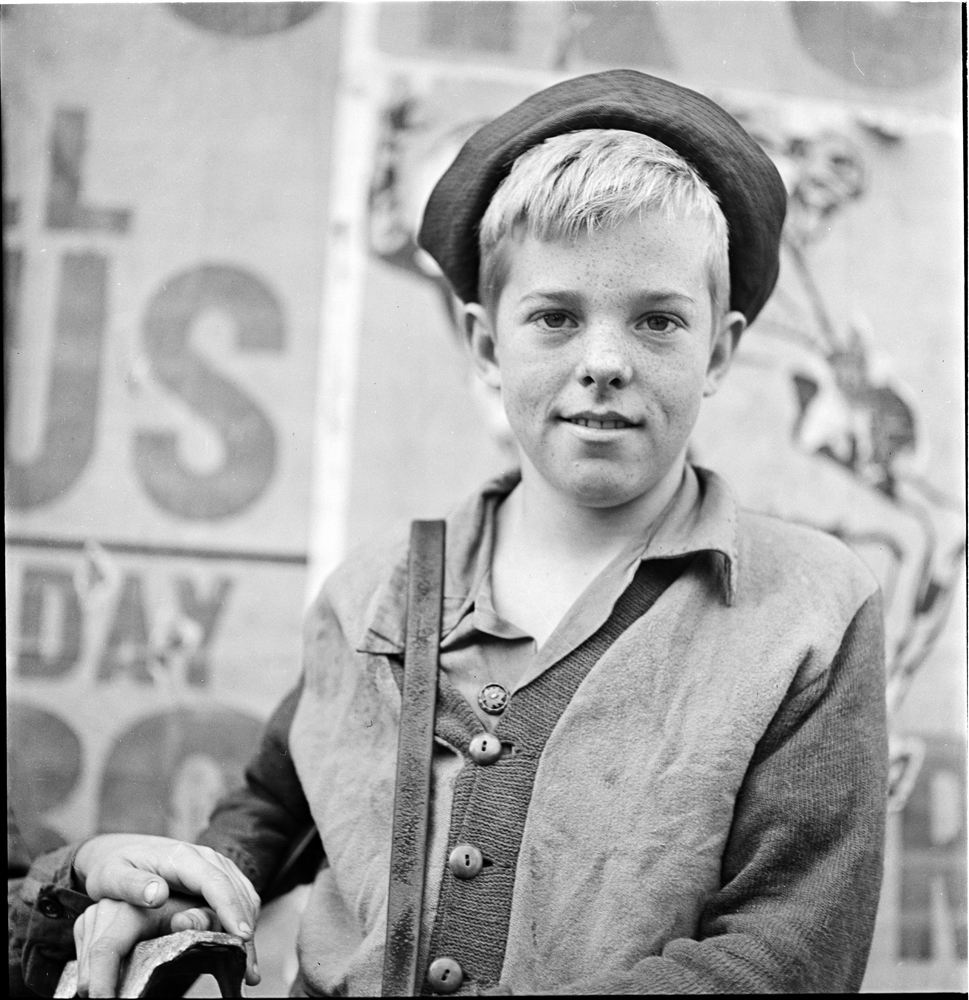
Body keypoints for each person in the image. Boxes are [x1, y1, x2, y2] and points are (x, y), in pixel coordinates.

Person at [10, 69, 888, 997]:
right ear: (482, 343)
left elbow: (788, 947)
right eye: (553, 317)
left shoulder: (811, 611)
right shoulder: (377, 586)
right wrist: (193, 890)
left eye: (657, 321)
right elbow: (282, 800)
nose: (602, 363)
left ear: (719, 349)